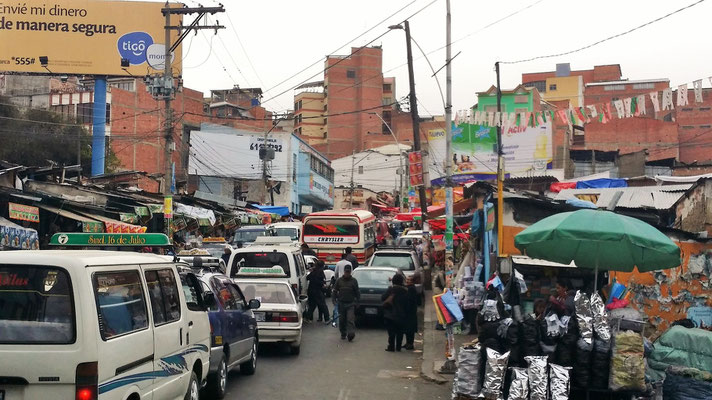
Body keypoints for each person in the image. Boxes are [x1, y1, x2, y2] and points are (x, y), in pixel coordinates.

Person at [382, 273, 409, 351]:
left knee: (391, 332)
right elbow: (407, 303)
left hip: (390, 314)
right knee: (400, 332)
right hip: (401, 314)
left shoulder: (391, 289)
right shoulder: (405, 291)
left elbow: (383, 298)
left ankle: (391, 346)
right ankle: (398, 346)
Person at [333, 264, 360, 341]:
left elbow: (357, 292)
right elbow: (334, 291)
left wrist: (358, 301)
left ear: (350, 272)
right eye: (346, 272)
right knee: (342, 320)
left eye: (348, 272)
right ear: (344, 272)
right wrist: (334, 300)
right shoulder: (339, 280)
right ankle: (343, 333)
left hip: (350, 303)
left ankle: (351, 334)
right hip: (341, 303)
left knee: (350, 320)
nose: (347, 273)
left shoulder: (354, 281)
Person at [403, 275, 421, 350]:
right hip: (410, 311)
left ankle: (410, 343)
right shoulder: (409, 288)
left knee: (410, 329)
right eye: (407, 279)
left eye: (409, 280)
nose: (407, 281)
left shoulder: (411, 289)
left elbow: (410, 301)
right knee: (408, 328)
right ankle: (408, 343)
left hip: (410, 312)